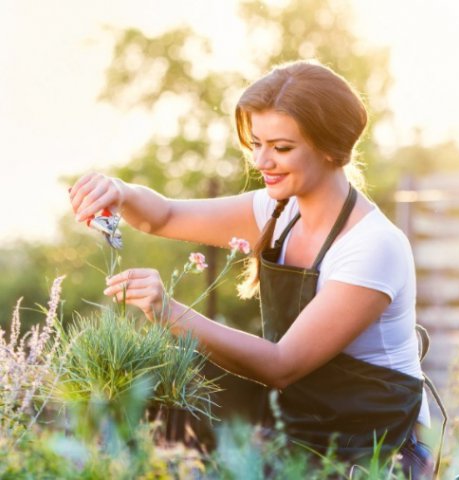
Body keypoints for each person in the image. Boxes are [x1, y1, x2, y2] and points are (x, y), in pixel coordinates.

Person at [69, 60, 436, 478]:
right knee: (158, 403)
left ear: (330, 148)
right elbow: (164, 216)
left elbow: (283, 365)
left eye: (281, 148)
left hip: (373, 446)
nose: (262, 160)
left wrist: (167, 311)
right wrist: (120, 190)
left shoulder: (373, 246)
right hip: (299, 422)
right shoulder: (277, 212)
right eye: (256, 143)